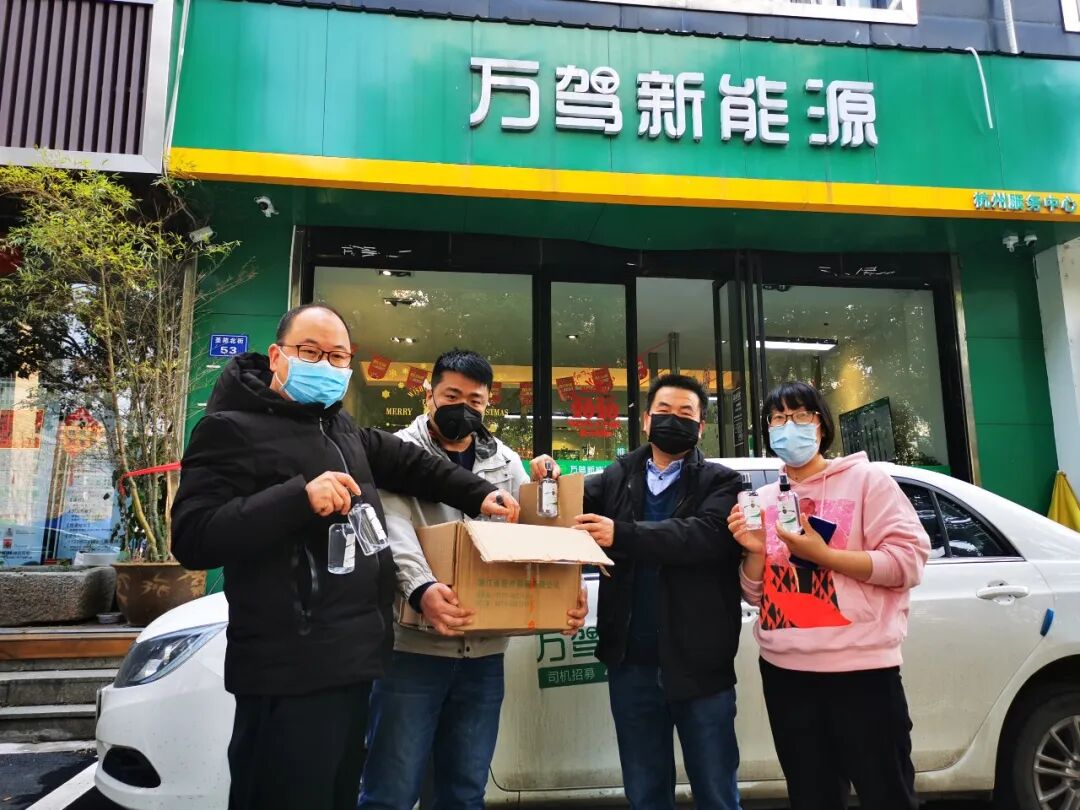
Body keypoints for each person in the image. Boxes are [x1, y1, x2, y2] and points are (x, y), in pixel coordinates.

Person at [171, 306, 519, 810]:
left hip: (353, 661)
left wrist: (481, 494)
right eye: (310, 352)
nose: (325, 365)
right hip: (287, 670)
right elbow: (194, 537)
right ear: (277, 356)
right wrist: (298, 498)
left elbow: (415, 466)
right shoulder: (229, 428)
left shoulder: (340, 429)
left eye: (337, 356)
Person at [359, 349, 587, 810]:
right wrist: (422, 589)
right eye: (452, 396)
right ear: (429, 395)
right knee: (390, 792)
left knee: (464, 792)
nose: (463, 408)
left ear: (488, 403)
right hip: (411, 651)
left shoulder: (505, 462)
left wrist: (566, 586)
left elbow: (534, 536)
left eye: (475, 401)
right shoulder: (397, 453)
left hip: (483, 655)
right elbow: (393, 527)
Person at [537, 373, 744, 810]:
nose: (673, 419)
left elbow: (703, 536)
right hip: (632, 664)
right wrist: (549, 476)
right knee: (645, 790)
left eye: (685, 413)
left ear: (701, 427)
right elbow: (564, 512)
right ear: (647, 420)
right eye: (664, 411)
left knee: (716, 790)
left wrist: (623, 533)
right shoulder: (616, 476)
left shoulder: (721, 483)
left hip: (700, 665)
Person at [729, 380, 930, 810]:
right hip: (786, 674)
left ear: (821, 425)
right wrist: (755, 552)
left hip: (862, 672)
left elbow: (908, 562)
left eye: (801, 415)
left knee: (888, 795)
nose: (789, 427)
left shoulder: (867, 481)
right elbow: (755, 595)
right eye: (778, 419)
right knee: (811, 797)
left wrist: (826, 556)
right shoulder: (763, 499)